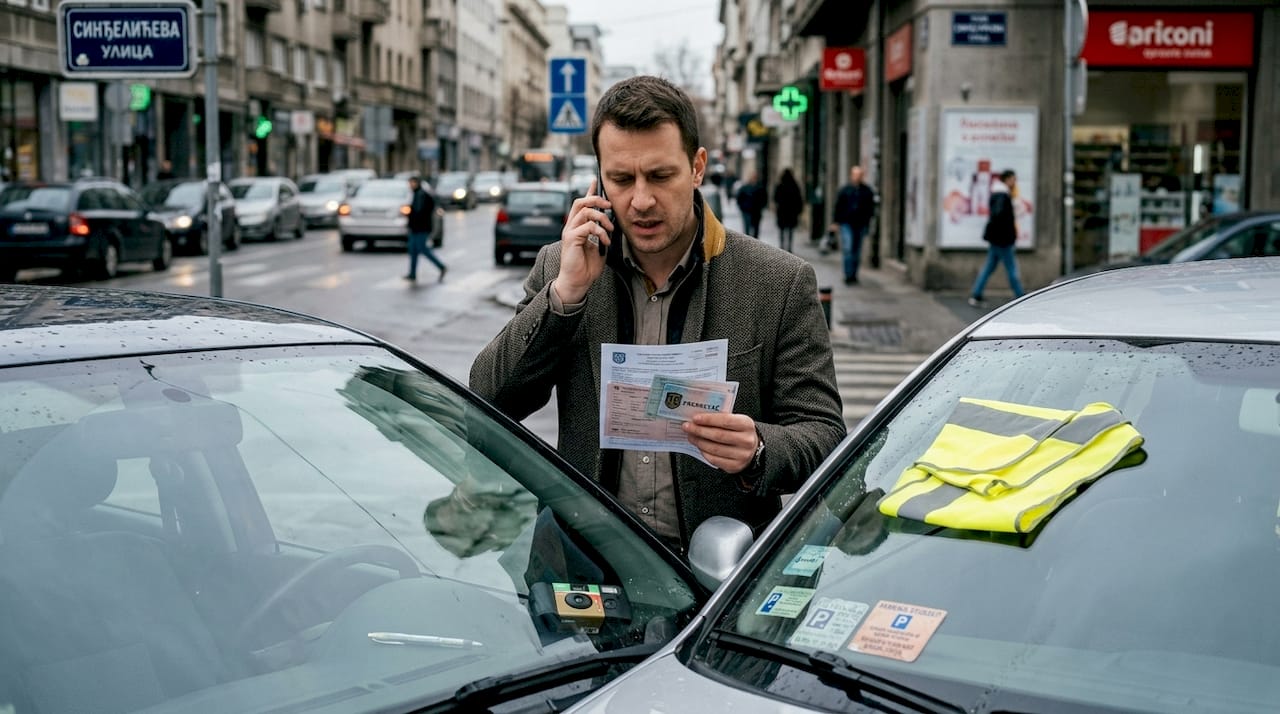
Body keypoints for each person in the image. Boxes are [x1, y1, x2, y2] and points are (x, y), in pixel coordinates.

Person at [470, 75, 845, 554]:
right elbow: (487, 399)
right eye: (621, 180)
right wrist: (565, 294)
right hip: (586, 566)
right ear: (599, 179)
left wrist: (759, 450)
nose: (641, 201)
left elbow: (825, 436)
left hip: (721, 575)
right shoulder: (560, 267)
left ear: (697, 167)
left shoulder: (778, 281)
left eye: (661, 176)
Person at [968, 169, 1025, 307]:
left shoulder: (998, 193)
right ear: (1006, 180)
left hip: (997, 239)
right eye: (1013, 179)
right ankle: (1021, 297)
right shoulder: (1002, 195)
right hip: (1003, 240)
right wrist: (1008, 232)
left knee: (989, 267)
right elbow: (999, 216)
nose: (1014, 182)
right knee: (1011, 268)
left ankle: (976, 293)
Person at [830, 165, 876, 284]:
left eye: (859, 175)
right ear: (851, 176)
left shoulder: (867, 191)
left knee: (857, 250)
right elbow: (838, 206)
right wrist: (835, 222)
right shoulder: (845, 190)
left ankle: (854, 274)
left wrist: (867, 222)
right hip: (846, 223)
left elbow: (870, 209)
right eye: (855, 175)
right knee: (848, 248)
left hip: (860, 224)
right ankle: (848, 274)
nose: (857, 177)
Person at [405, 176, 446, 282]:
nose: (410, 185)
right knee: (413, 250)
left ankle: (441, 266)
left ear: (417, 183)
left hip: (421, 227)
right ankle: (412, 273)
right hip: (415, 227)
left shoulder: (422, 195)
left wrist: (411, 215)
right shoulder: (416, 194)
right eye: (410, 183)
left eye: (412, 183)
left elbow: (419, 212)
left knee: (423, 249)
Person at [773, 168, 803, 253]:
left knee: (782, 230)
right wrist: (799, 210)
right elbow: (799, 199)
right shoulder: (795, 185)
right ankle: (789, 247)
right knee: (790, 231)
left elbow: (775, 198)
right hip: (792, 211)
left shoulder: (780, 185)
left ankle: (782, 246)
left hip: (782, 211)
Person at [734, 171, 766, 238]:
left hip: (756, 211)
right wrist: (742, 207)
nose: (754, 179)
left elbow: (764, 198)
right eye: (753, 177)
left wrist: (761, 206)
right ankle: (748, 244)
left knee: (756, 229)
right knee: (747, 229)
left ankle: (755, 243)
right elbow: (739, 198)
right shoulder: (744, 187)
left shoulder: (760, 187)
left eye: (755, 177)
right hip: (746, 211)